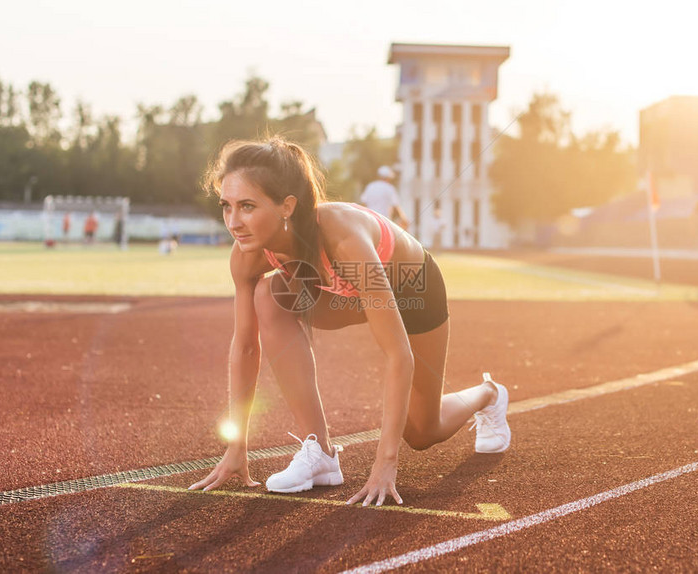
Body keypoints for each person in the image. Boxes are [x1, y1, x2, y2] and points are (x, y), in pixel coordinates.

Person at [188, 138, 511, 506]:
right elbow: (245, 346)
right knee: (268, 296)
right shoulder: (246, 255)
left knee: (423, 430)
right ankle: (321, 453)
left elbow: (398, 355)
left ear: (286, 207)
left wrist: (385, 463)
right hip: (343, 293)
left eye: (247, 206)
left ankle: (489, 394)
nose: (233, 222)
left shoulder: (343, 239)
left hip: (411, 290)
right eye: (226, 207)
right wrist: (236, 446)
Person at [360, 166, 410, 230]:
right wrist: (404, 218)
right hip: (383, 222)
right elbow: (396, 206)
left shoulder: (370, 186)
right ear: (388, 178)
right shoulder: (389, 188)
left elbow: (363, 203)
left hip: (370, 220)